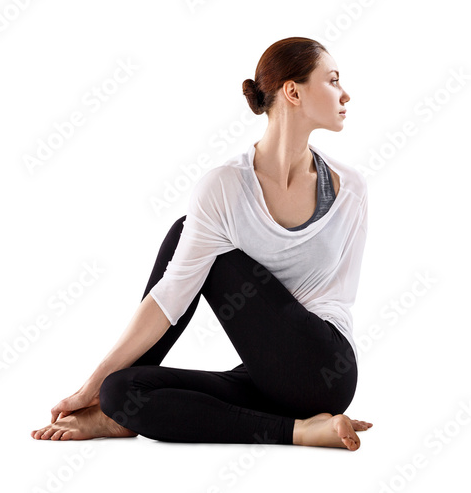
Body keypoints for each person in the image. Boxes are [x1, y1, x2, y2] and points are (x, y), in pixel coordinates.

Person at [31, 36, 373, 450]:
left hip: (326, 366)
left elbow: (338, 297)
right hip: (271, 376)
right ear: (293, 91)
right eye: (333, 80)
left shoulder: (349, 188)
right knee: (123, 392)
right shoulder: (225, 187)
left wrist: (89, 384)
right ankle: (301, 429)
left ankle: (302, 423)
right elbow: (169, 298)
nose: (345, 93)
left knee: (185, 232)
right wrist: (95, 386)